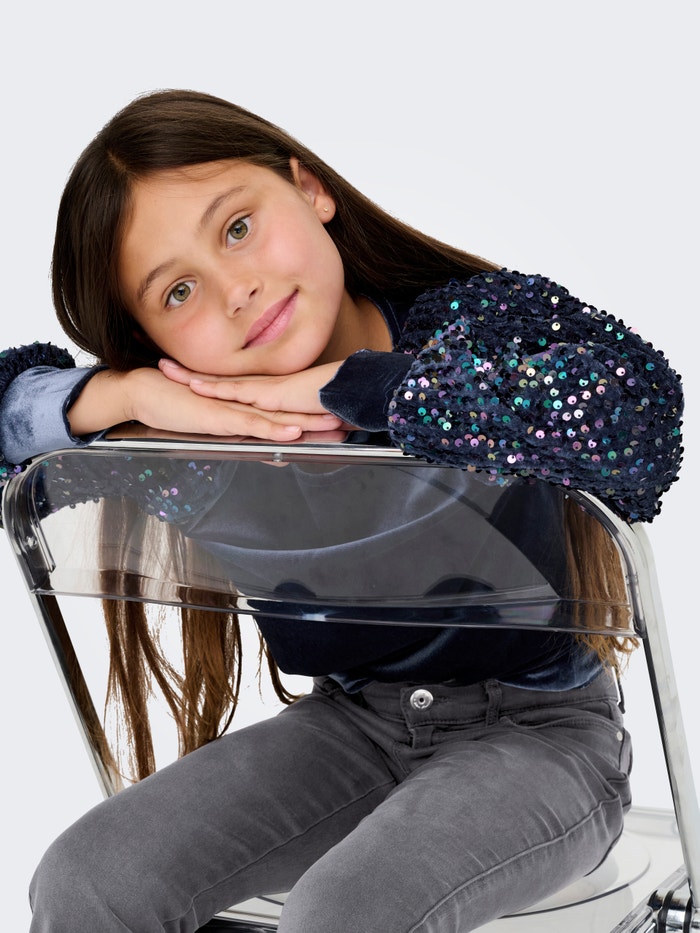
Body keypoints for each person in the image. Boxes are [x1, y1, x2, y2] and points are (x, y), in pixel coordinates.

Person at [0, 89, 684, 933]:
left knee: (343, 911)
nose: (236, 290)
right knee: (86, 879)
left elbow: (639, 419)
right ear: (154, 341)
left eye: (237, 227)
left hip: (542, 731)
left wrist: (360, 389)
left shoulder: (470, 326)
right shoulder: (190, 448)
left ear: (310, 189)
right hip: (351, 724)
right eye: (178, 292)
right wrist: (123, 395)